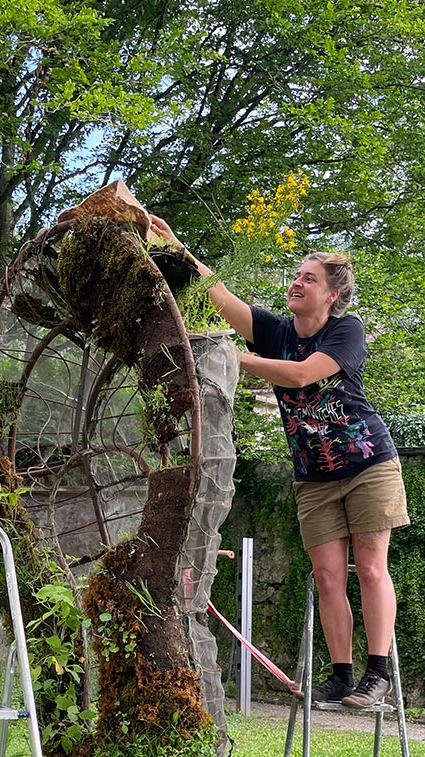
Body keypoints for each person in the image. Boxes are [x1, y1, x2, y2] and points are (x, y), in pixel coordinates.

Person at [148, 214, 409, 708]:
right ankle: (341, 676)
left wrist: (231, 357)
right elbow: (218, 295)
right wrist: (174, 243)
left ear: (332, 294)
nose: (297, 282)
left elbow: (302, 375)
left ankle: (377, 675)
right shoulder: (274, 331)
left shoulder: (347, 330)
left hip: (368, 465)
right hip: (313, 476)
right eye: (297, 275)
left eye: (310, 278)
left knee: (371, 569)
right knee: (328, 577)